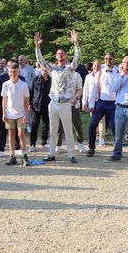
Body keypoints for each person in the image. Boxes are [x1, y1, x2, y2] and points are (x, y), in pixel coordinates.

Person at [34, 30, 81, 164]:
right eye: (58, 53)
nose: (60, 55)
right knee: (52, 129)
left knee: (67, 129)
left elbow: (77, 59)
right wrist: (37, 47)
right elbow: (40, 60)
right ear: (56, 56)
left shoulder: (70, 68)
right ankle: (51, 153)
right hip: (53, 103)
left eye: (62, 53)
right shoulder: (52, 68)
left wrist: (76, 44)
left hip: (66, 103)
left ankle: (71, 154)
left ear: (65, 56)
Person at [87, 54, 119, 157]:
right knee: (92, 125)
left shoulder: (119, 72)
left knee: (115, 127)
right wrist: (91, 104)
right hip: (101, 102)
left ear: (114, 60)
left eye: (110, 59)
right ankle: (91, 148)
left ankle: (117, 149)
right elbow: (93, 90)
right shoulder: (99, 73)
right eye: (106, 58)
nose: (108, 60)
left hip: (114, 104)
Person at [2, 61, 31, 166]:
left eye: (15, 71)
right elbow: (4, 99)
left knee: (21, 134)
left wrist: (26, 114)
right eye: (11, 71)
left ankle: (24, 155)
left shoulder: (23, 85)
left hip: (21, 113)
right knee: (11, 134)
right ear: (8, 72)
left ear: (18, 72)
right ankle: (12, 155)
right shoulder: (5, 84)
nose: (13, 73)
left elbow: (26, 100)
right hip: (9, 113)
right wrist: (4, 113)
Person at [56, 70, 85, 154]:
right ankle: (58, 145)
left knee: (77, 124)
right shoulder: (59, 74)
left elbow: (79, 88)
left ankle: (80, 143)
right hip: (61, 104)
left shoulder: (77, 75)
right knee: (59, 126)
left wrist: (76, 98)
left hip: (73, 104)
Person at [83, 60, 106, 147]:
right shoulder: (88, 76)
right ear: (92, 66)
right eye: (95, 65)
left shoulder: (103, 75)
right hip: (91, 101)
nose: (96, 67)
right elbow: (85, 89)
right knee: (93, 120)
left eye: (98, 65)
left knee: (101, 121)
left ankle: (101, 138)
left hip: (101, 100)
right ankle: (94, 137)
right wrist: (84, 101)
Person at [28, 66, 51, 151]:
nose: (44, 72)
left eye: (46, 70)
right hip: (36, 105)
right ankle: (32, 144)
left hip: (47, 105)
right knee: (35, 125)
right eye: (43, 70)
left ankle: (44, 142)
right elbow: (30, 92)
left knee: (46, 124)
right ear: (40, 70)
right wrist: (29, 103)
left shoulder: (51, 80)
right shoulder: (35, 79)